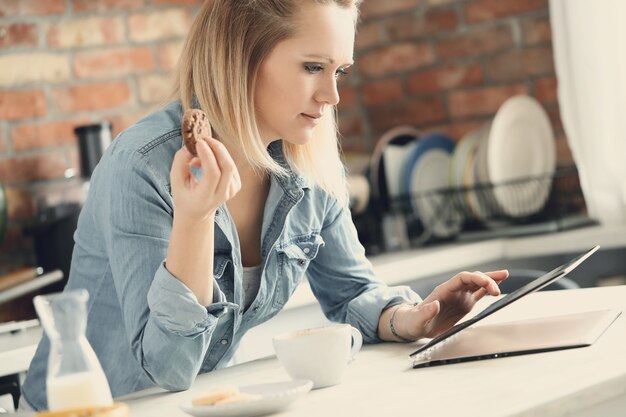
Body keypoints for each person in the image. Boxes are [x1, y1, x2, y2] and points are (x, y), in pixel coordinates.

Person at [20, 0, 508, 410]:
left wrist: (413, 318)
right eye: (313, 67)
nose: (332, 95)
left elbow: (352, 292)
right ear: (240, 55)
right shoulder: (143, 166)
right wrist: (194, 218)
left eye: (339, 71)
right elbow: (167, 368)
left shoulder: (310, 162)